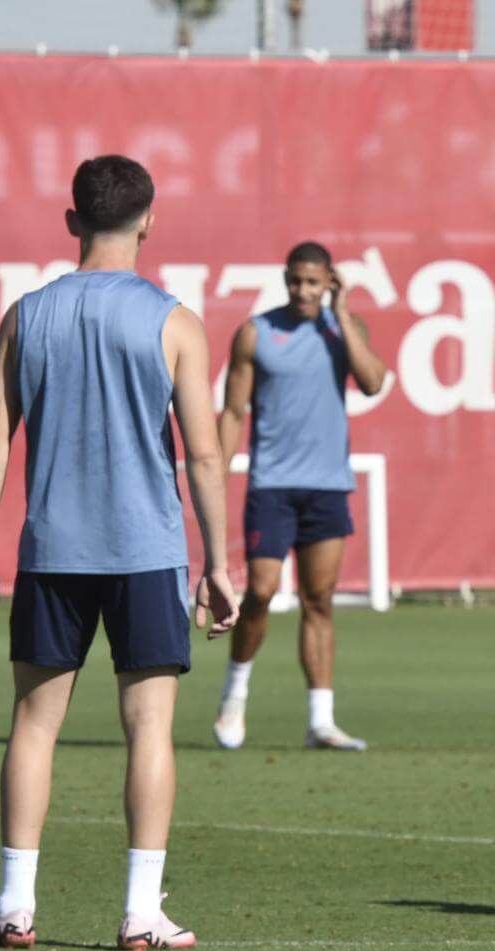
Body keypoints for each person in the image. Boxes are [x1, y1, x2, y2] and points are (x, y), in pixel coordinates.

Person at [0, 155, 238, 951]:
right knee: (148, 725)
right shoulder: (174, 320)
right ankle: (141, 913)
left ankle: (15, 906)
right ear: (148, 220)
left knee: (34, 725)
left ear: (72, 220)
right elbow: (205, 454)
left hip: (53, 549)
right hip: (146, 549)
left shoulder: (25, 314)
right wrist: (219, 562)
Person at [212, 242, 387, 752]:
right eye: (296, 281)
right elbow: (231, 412)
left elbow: (374, 382)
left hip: (328, 485)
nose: (303, 291)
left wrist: (343, 315)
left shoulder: (344, 330)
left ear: (329, 280)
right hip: (272, 484)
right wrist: (215, 475)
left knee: (319, 600)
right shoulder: (256, 333)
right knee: (261, 591)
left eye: (313, 282)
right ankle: (235, 695)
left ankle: (320, 721)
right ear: (286, 280)